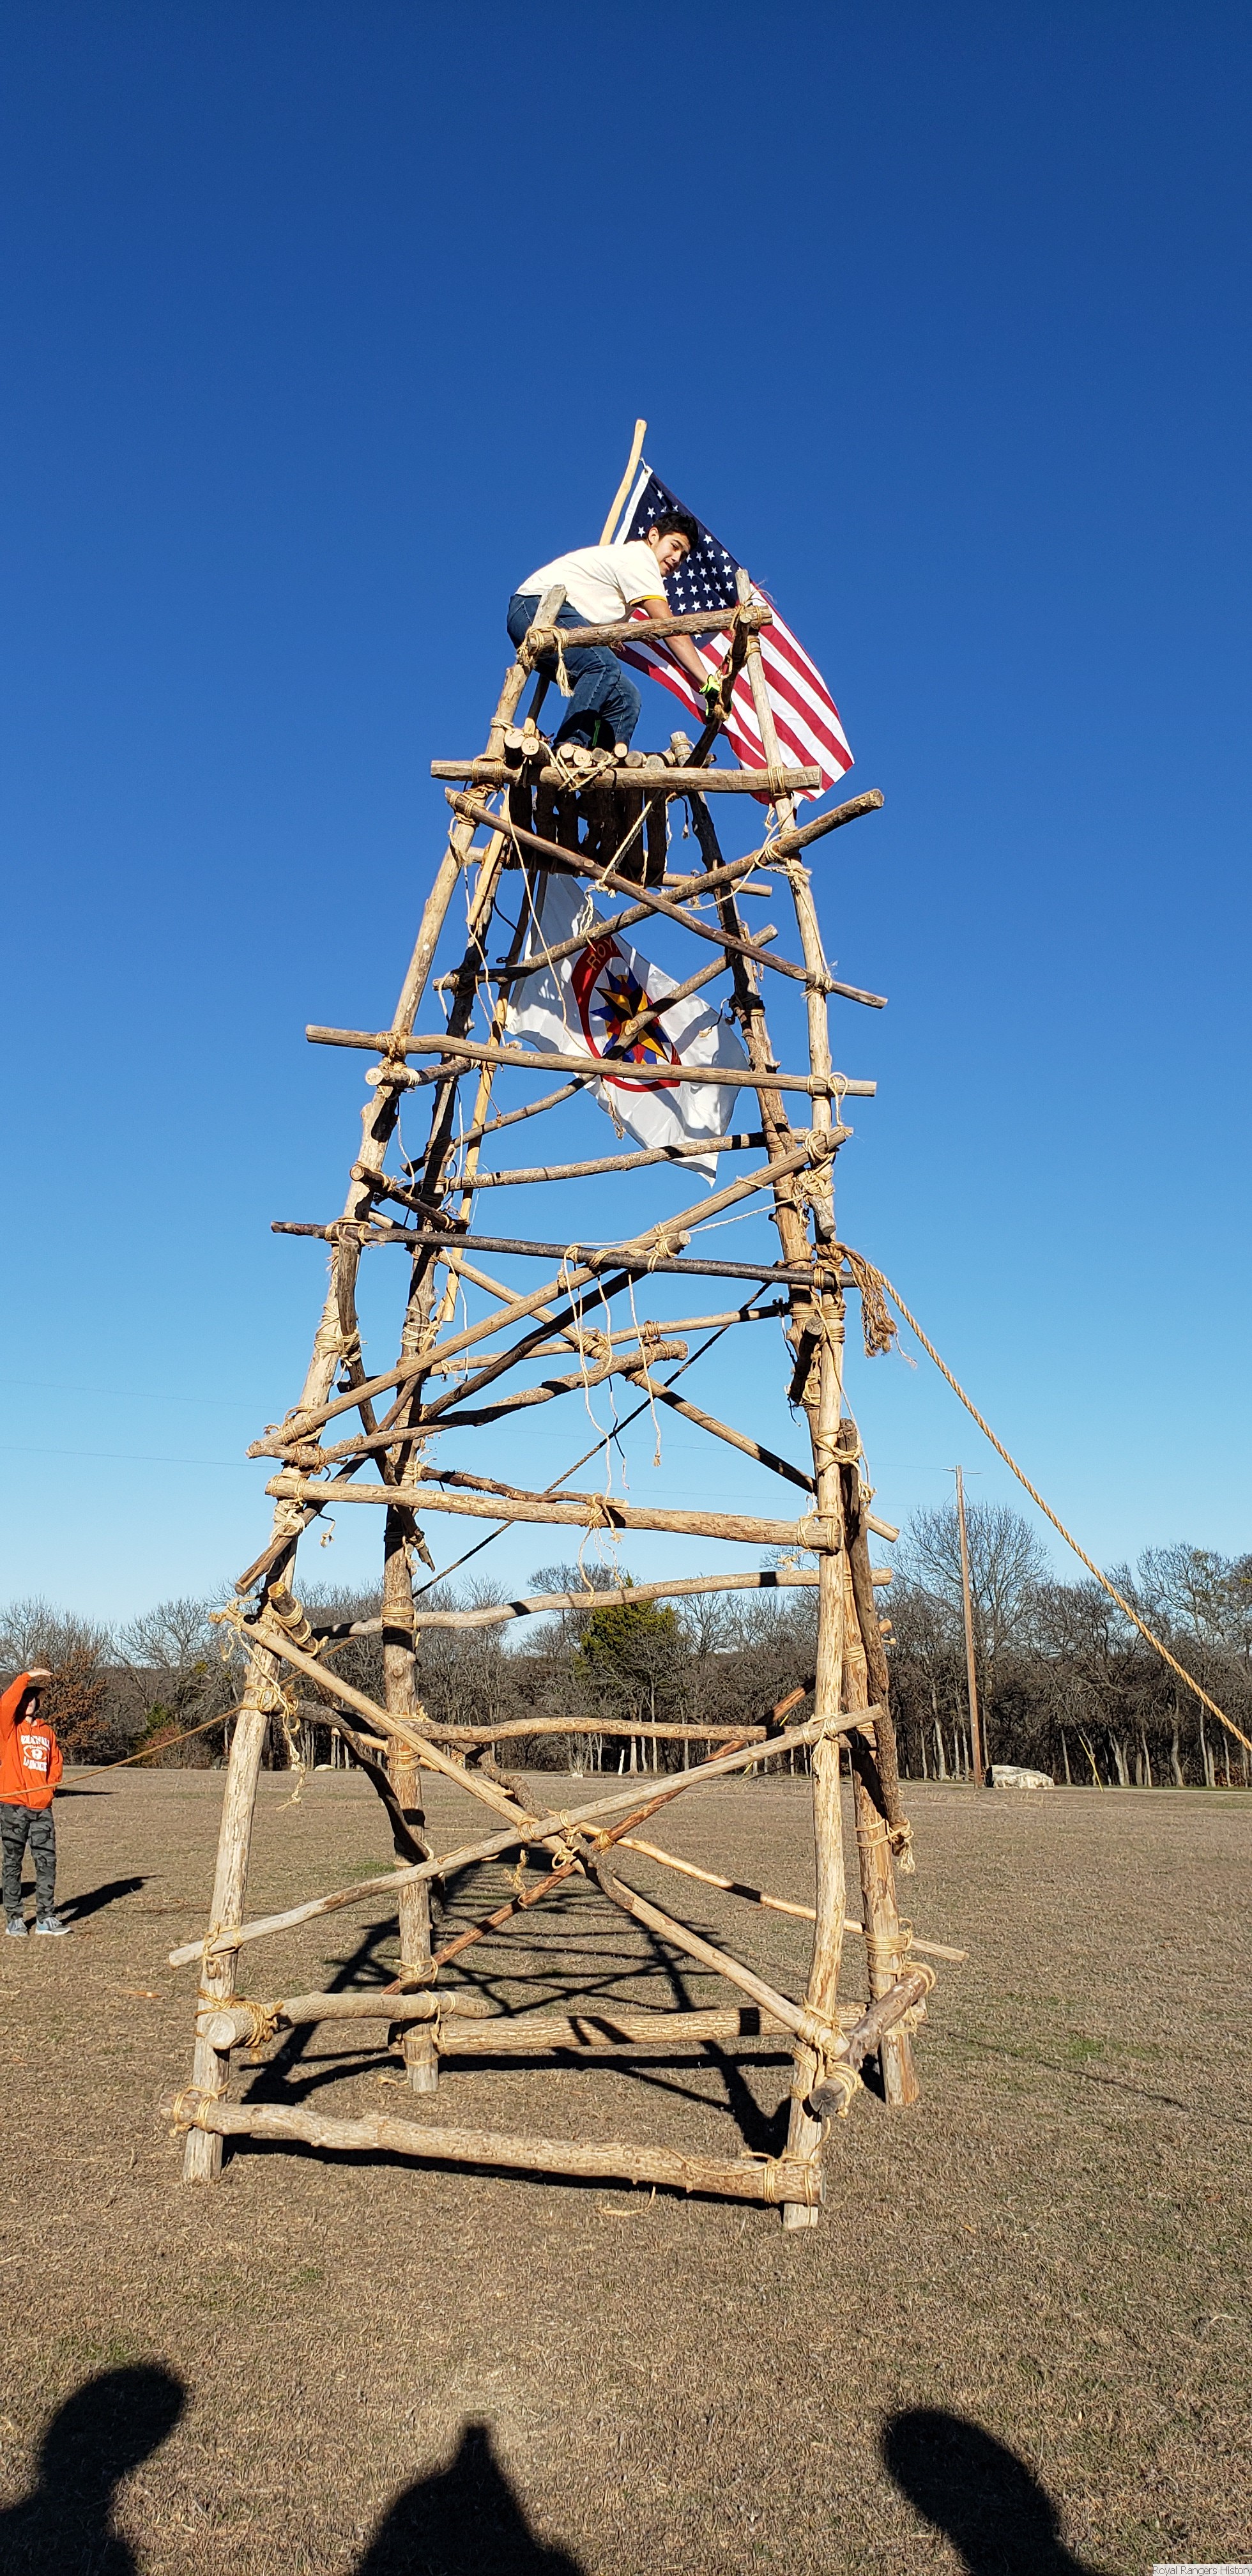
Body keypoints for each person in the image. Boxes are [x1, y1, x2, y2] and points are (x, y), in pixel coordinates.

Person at [507, 510, 720, 755]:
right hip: (534, 608)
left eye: (683, 556)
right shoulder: (639, 560)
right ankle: (570, 748)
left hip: (557, 618)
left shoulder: (634, 565)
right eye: (674, 546)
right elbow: (669, 628)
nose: (676, 558)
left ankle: (600, 758)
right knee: (603, 666)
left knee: (625, 699)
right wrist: (706, 681)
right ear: (654, 536)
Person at [0, 1667, 67, 1936]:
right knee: (12, 1863)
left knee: (46, 1862)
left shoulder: (47, 1732)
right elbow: (6, 1704)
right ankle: (14, 1919)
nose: (29, 1702)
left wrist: (48, 1792)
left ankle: (45, 1918)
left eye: (33, 1698)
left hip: (41, 1808)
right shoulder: (8, 1729)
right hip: (13, 1806)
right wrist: (25, 1677)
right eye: (25, 1698)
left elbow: (55, 1764)